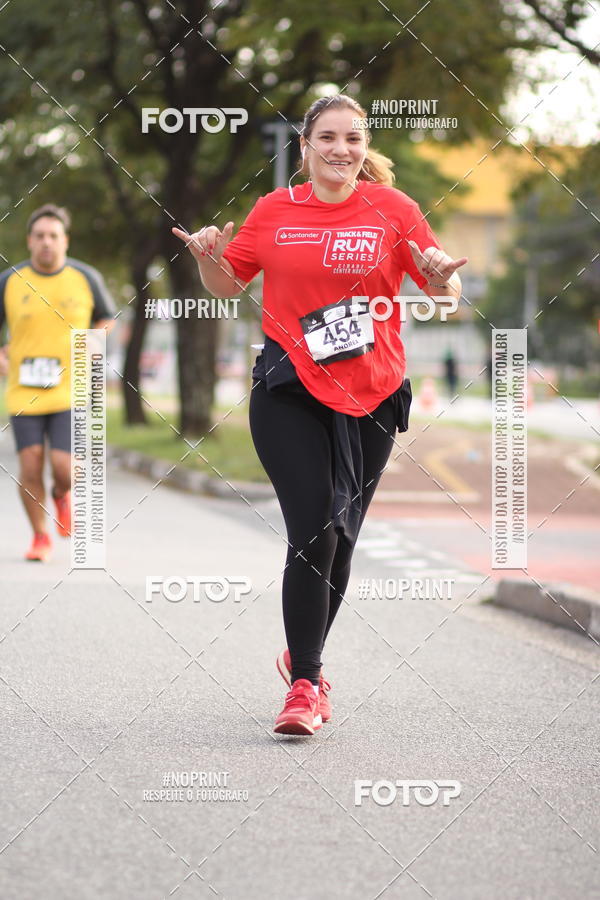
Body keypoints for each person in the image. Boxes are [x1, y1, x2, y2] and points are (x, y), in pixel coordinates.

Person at [173, 94, 467, 736]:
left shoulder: (395, 209)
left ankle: (299, 654)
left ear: (365, 148)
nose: (342, 149)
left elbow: (441, 287)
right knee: (315, 527)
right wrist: (206, 256)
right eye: (328, 138)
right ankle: (305, 684)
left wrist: (444, 276)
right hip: (291, 389)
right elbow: (229, 282)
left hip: (373, 391)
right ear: (303, 147)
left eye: (354, 139)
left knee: (343, 539)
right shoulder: (275, 210)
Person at [0, 204, 116, 561]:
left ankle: (62, 495)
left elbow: (107, 319)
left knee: (65, 468)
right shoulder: (9, 280)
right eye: (39, 236)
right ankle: (40, 537)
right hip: (25, 388)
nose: (46, 243)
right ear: (29, 241)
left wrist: (93, 345)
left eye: (53, 236)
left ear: (65, 241)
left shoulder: (86, 277)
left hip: (73, 388)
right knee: (31, 464)